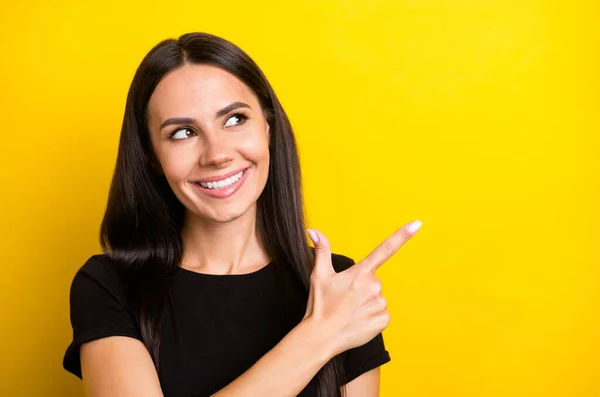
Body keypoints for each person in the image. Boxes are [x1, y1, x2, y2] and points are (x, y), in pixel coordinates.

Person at [62, 32, 422, 397]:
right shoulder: (110, 286)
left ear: (267, 126)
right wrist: (319, 336)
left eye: (235, 119)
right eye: (183, 132)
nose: (216, 154)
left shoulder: (340, 286)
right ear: (152, 156)